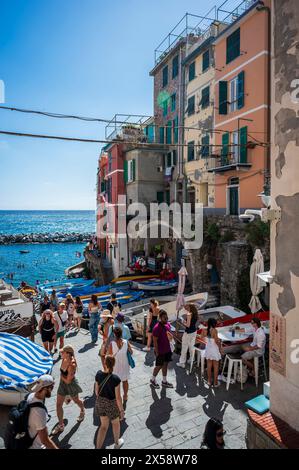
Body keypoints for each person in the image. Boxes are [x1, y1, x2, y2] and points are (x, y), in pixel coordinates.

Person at [95, 355, 125, 449]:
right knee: (115, 423)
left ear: (105, 363)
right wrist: (121, 410)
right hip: (111, 404)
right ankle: (117, 443)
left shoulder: (98, 374)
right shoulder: (115, 379)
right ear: (114, 364)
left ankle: (98, 448)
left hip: (100, 402)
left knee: (103, 427)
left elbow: (96, 391)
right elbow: (118, 397)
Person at [53, 345, 85, 434]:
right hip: (62, 385)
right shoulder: (64, 359)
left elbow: (68, 381)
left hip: (71, 385)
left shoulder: (72, 364)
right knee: (58, 404)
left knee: (76, 401)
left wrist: (61, 377)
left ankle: (82, 410)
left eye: (62, 352)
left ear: (67, 353)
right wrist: (61, 380)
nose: (60, 353)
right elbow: (63, 374)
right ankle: (61, 425)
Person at [27, 375, 58, 449]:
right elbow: (45, 440)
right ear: (45, 389)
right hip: (35, 446)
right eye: (52, 387)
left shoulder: (31, 396)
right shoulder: (39, 412)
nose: (52, 390)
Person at [108, 327, 133, 405]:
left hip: (115, 366)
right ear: (121, 334)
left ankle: (117, 397)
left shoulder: (112, 344)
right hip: (125, 364)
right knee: (125, 381)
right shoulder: (126, 342)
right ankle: (125, 396)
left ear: (114, 334)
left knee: (115, 383)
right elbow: (131, 352)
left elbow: (110, 356)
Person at [150, 310, 174, 389]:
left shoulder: (167, 325)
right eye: (164, 318)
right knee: (159, 366)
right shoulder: (156, 328)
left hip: (167, 349)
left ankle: (164, 381)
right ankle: (153, 379)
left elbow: (170, 336)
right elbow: (155, 341)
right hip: (160, 351)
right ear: (160, 318)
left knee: (165, 365)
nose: (166, 320)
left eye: (167, 318)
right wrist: (157, 352)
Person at [201, 318, 222, 387]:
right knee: (216, 366)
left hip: (208, 349)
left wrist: (208, 340)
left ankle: (209, 381)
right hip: (214, 349)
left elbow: (202, 338)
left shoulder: (204, 330)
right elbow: (216, 341)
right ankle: (215, 382)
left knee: (209, 365)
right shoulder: (214, 330)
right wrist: (220, 347)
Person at [176, 304, 199, 368]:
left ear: (189, 307)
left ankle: (182, 362)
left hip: (188, 333)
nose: (185, 308)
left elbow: (188, 325)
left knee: (184, 347)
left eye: (186, 307)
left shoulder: (189, 314)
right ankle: (192, 360)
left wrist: (183, 321)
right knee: (191, 347)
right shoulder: (195, 314)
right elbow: (192, 324)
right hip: (194, 332)